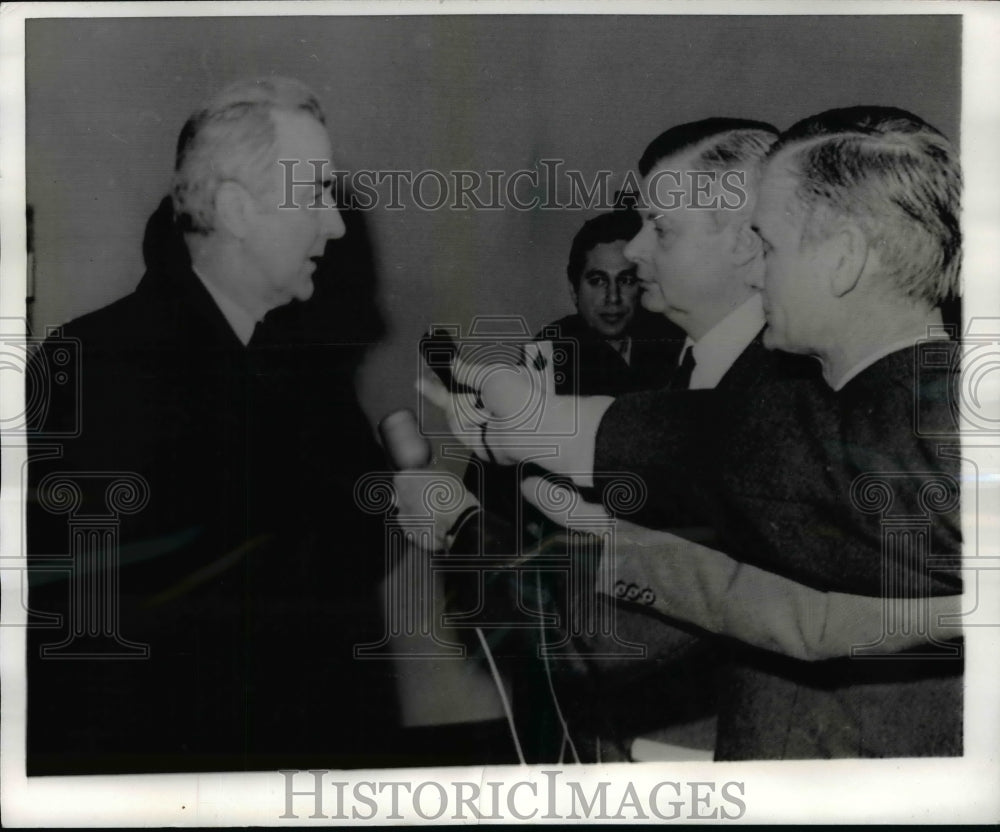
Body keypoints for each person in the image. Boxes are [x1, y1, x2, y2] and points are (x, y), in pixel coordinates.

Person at [458, 106, 964, 759]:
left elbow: (763, 451)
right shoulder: (878, 411)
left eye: (771, 247)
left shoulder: (935, 422)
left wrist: (547, 427)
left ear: (842, 259)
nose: (755, 274)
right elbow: (806, 616)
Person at [27, 77, 399, 773]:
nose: (337, 224)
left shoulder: (300, 365)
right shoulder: (101, 363)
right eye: (315, 192)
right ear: (236, 208)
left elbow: (349, 551)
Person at [544, 208, 684, 397]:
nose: (613, 297)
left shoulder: (670, 341)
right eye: (598, 281)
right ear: (573, 289)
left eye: (626, 280)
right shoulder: (550, 352)